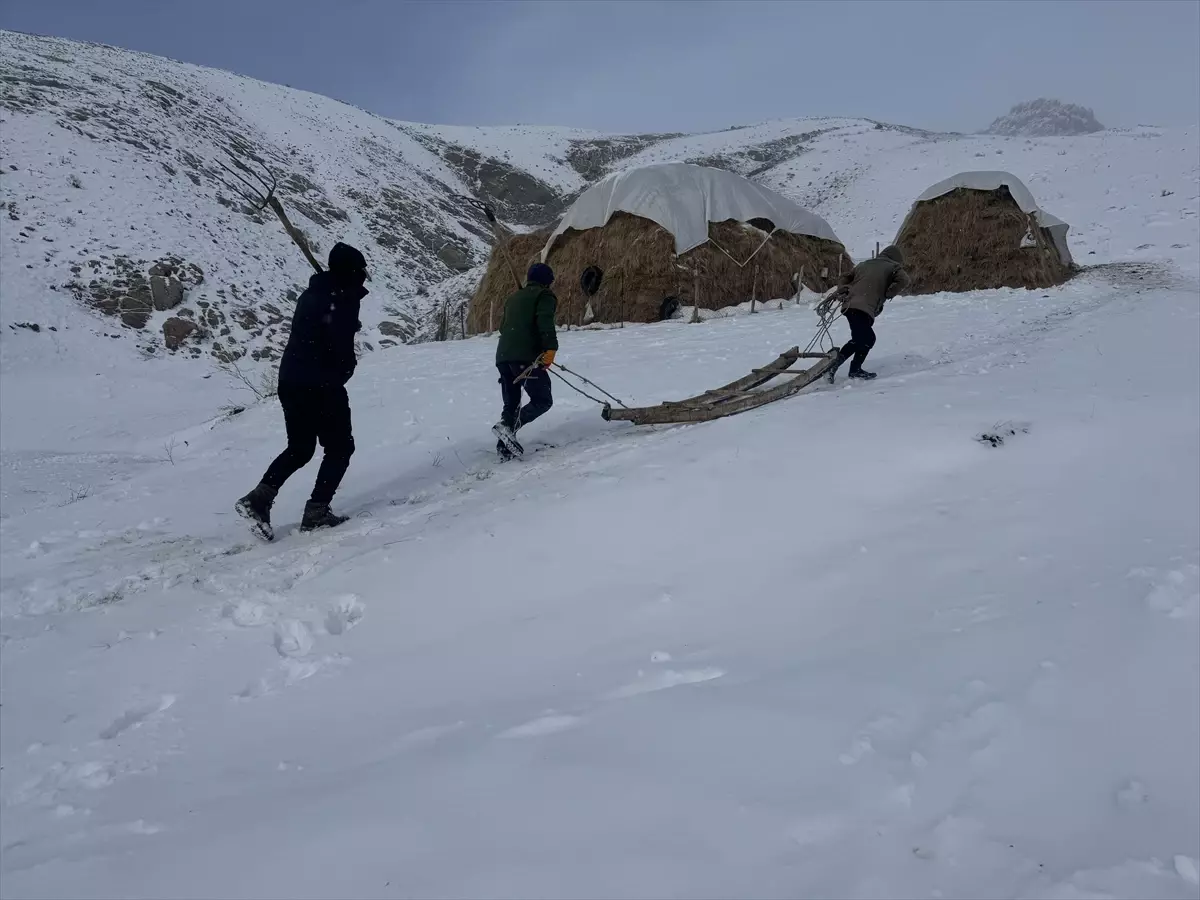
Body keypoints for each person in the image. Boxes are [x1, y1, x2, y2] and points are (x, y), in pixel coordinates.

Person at [235, 242, 368, 540]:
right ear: (351, 272)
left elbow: (321, 329)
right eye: (360, 272)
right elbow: (338, 346)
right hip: (321, 383)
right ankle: (317, 511)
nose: (363, 278)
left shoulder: (313, 294)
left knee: (300, 448)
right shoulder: (342, 298)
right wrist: (344, 369)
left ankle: (258, 500)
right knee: (340, 447)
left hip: (291, 380)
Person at [492, 262, 558, 459]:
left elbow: (504, 328)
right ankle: (508, 427)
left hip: (503, 357)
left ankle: (504, 446)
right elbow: (545, 322)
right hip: (526, 357)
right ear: (547, 281)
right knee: (542, 400)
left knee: (511, 404)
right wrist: (551, 349)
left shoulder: (513, 298)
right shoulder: (544, 296)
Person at [828, 244, 911, 382]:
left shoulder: (864, 264)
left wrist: (842, 289)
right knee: (865, 339)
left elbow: (845, 277)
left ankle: (849, 368)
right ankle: (838, 367)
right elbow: (905, 280)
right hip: (863, 308)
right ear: (896, 258)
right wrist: (889, 293)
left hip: (850, 306)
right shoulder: (893, 267)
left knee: (862, 339)